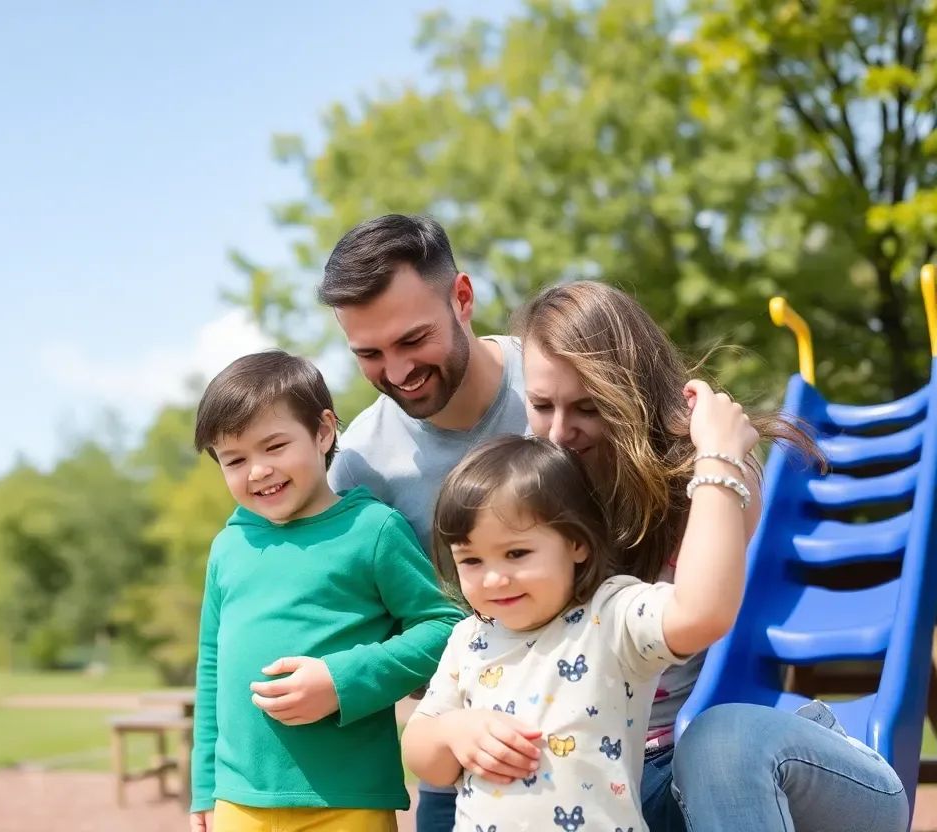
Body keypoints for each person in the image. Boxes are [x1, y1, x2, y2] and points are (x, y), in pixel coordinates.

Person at [515, 280, 910, 831]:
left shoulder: (704, 478)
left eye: (588, 406)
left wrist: (718, 454)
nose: (559, 432)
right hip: (630, 784)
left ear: (633, 392)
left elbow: (701, 614)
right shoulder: (531, 498)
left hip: (766, 770)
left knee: (714, 742)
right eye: (541, 405)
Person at [403, 399, 754, 829]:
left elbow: (703, 613)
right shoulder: (469, 639)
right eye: (471, 561)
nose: (494, 579)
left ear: (577, 544)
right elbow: (423, 756)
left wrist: (718, 458)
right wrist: (453, 732)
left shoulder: (611, 617)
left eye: (516, 553)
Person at [188, 349, 462, 832]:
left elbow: (446, 628)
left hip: (348, 800)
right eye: (234, 458)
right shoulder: (227, 547)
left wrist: (343, 680)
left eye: (274, 446)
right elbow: (211, 668)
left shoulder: (373, 529)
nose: (257, 471)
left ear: (323, 431)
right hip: (238, 802)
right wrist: (204, 786)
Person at [320, 214, 530, 831]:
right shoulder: (360, 467)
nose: (398, 370)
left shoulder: (555, 382)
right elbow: (372, 632)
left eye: (414, 340)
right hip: (463, 755)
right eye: (369, 354)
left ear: (461, 299)